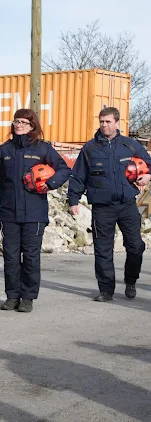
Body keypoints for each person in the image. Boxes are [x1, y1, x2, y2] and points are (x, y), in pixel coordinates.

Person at [0, 109, 70, 313]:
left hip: (35, 213)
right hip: (9, 212)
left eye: (24, 122)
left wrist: (50, 184)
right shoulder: (5, 150)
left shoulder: (42, 149)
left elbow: (64, 169)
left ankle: (28, 298)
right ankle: (12, 296)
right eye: (16, 121)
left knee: (31, 256)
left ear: (33, 126)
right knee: (11, 257)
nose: (19, 125)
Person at [68, 107, 151, 302]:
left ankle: (130, 280)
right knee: (103, 249)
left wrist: (148, 175)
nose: (105, 125)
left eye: (108, 122)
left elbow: (149, 163)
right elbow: (78, 176)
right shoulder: (90, 149)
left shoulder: (130, 145)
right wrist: (73, 200)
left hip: (127, 204)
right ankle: (106, 290)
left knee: (136, 246)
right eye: (102, 122)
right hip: (102, 207)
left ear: (116, 123)